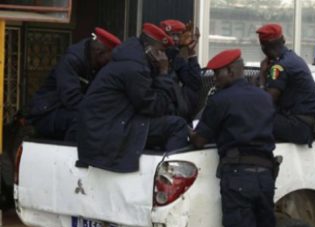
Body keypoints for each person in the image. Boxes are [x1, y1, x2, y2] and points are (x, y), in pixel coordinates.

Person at [191, 49, 276, 227]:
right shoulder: (265, 97)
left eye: (217, 74)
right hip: (266, 178)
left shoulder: (221, 100)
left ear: (230, 72)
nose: (214, 80)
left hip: (238, 178)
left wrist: (186, 131)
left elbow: (200, 140)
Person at [77, 23, 189, 173]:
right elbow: (153, 107)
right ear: (150, 50)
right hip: (108, 130)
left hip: (111, 122)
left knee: (175, 123)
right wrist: (163, 73)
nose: (163, 57)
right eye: (160, 51)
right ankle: (171, 176)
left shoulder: (133, 59)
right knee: (177, 126)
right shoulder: (135, 68)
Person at [28, 27, 121, 141]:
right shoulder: (71, 60)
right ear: (99, 52)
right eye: (109, 58)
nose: (110, 62)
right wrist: (97, 111)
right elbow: (71, 99)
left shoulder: (96, 64)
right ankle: (72, 154)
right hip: (47, 113)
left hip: (64, 111)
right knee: (84, 119)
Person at [256, 23, 315, 145]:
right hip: (304, 124)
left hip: (299, 127)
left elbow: (266, 102)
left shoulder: (279, 66)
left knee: (250, 118)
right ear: (283, 39)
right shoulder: (292, 58)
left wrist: (262, 76)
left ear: (264, 47)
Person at [160, 19, 202, 124]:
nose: (174, 39)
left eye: (178, 35)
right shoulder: (156, 54)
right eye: (171, 35)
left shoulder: (178, 55)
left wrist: (191, 53)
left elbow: (195, 83)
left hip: (178, 114)